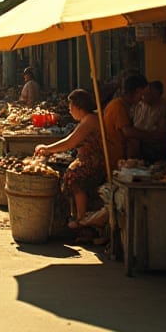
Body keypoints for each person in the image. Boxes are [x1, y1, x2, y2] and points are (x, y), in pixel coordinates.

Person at [34, 88, 105, 229]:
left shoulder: (90, 120)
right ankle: (74, 214)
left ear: (79, 106)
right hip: (86, 158)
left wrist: (47, 148)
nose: (69, 110)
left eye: (70, 106)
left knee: (73, 176)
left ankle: (81, 218)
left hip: (93, 162)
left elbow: (69, 142)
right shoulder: (87, 119)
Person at [102, 73, 149, 166]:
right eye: (142, 94)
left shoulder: (125, 105)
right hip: (114, 158)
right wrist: (152, 136)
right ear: (137, 91)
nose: (142, 98)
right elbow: (128, 132)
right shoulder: (118, 106)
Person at [132, 80, 166, 161]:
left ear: (157, 94)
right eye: (144, 93)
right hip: (138, 146)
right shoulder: (140, 106)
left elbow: (163, 134)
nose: (144, 96)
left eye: (149, 93)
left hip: (157, 150)